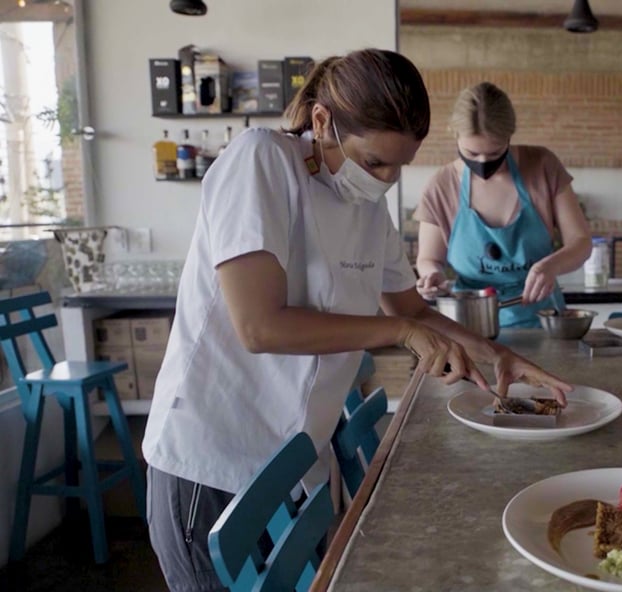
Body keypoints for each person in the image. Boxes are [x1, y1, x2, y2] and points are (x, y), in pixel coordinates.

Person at [141, 50, 572, 592]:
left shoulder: (366, 205)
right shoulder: (261, 161)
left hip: (293, 459)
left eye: (399, 166)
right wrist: (396, 332)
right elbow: (259, 327)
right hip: (214, 459)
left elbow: (412, 309)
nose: (387, 180)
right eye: (375, 163)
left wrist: (499, 354)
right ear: (322, 121)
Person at [414, 82, 592, 328]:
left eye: (495, 152)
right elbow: (429, 259)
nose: (483, 162)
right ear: (454, 134)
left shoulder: (542, 166)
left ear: (510, 136)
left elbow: (581, 243)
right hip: (471, 325)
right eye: (472, 153)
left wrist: (551, 266)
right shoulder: (441, 187)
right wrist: (431, 274)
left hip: (542, 323)